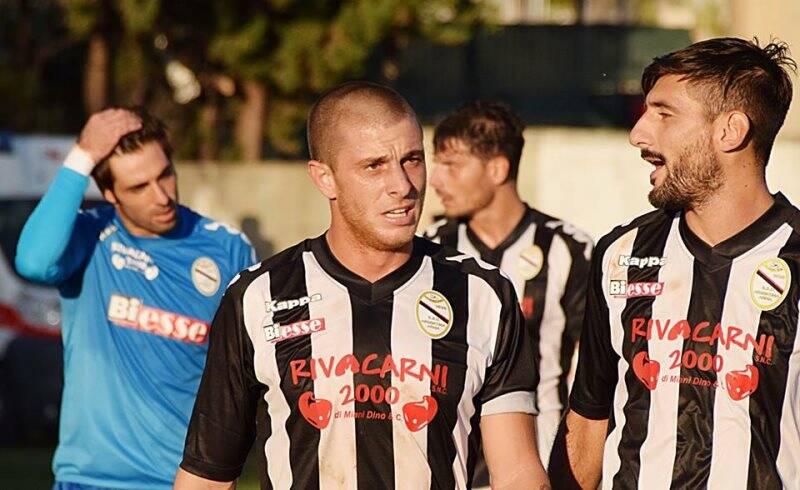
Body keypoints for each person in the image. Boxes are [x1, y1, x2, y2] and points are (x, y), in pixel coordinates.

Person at [174, 81, 551, 489]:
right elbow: (207, 475)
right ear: (325, 179)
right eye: (374, 166)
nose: (403, 186)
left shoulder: (483, 294)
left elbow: (517, 473)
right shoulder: (258, 296)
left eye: (412, 160)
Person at [548, 37, 800, 489]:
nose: (638, 134)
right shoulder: (620, 254)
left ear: (730, 131)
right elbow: (588, 420)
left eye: (664, 114)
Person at [15, 107, 257, 489]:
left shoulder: (227, 249)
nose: (161, 196)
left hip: (182, 481)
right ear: (110, 194)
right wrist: (82, 156)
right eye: (138, 187)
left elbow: (246, 369)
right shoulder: (88, 238)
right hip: (90, 481)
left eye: (165, 175)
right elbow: (33, 261)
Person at [424, 101, 592, 477]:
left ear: (497, 168)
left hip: (543, 458)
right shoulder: (430, 249)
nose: (435, 180)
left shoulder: (570, 249)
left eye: (451, 165)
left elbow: (597, 366)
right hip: (453, 461)